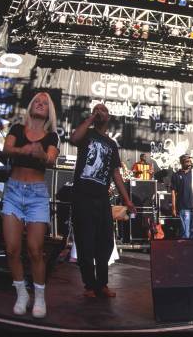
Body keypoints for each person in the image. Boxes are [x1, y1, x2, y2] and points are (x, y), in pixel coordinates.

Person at [1, 92, 59, 318]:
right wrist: (22, 150)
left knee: (35, 250)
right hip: (14, 191)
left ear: (49, 111)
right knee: (11, 248)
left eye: (45, 103)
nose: (41, 105)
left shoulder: (51, 136)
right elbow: (7, 149)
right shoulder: (17, 129)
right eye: (37, 101)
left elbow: (51, 159)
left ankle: (40, 297)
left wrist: (41, 154)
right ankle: (21, 292)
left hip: (36, 195)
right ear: (31, 106)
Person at [70, 103, 136, 298]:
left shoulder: (111, 144)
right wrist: (90, 119)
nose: (100, 112)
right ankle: (89, 286)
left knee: (105, 243)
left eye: (104, 110)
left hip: (101, 197)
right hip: (82, 195)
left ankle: (102, 284)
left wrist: (127, 200)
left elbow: (116, 174)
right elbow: (74, 138)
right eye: (97, 109)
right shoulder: (87, 134)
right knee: (85, 242)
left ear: (108, 117)